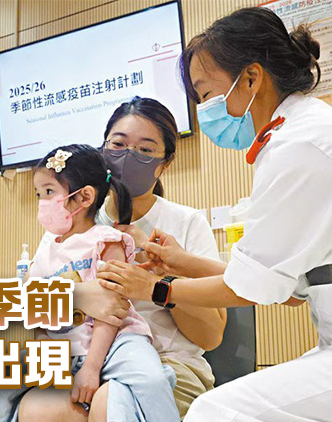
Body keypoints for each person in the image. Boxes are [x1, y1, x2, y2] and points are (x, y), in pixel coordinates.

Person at [97, 7, 332, 422]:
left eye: (206, 94)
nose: (205, 109)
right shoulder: (296, 138)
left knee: (215, 413)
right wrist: (181, 263)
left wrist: (156, 287)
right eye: (118, 144)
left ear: (252, 78)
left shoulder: (303, 145)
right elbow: (287, 290)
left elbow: (250, 289)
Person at [18, 144, 179, 422]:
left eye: (49, 192)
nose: (42, 202)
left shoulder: (107, 241)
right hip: (64, 348)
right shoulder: (44, 252)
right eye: (39, 194)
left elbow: (111, 311)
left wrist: (92, 368)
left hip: (116, 341)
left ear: (84, 197)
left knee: (151, 380)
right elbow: (35, 311)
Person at [97, 97, 225, 416]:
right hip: (91, 360)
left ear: (164, 163)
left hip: (170, 365)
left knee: (111, 402)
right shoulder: (77, 219)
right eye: (118, 144)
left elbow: (210, 336)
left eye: (145, 150)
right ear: (103, 149)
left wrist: (160, 282)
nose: (128, 157)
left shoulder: (185, 224)